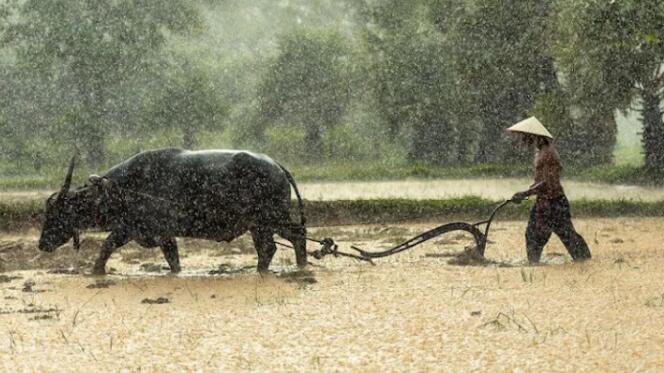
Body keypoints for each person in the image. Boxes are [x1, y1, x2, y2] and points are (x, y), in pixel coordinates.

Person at [508, 117, 591, 263]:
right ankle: (535, 265)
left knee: (565, 235)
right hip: (546, 201)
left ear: (533, 135)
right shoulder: (540, 152)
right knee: (539, 235)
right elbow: (540, 181)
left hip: (554, 203)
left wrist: (525, 193)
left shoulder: (548, 153)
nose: (522, 140)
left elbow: (547, 182)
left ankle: (583, 261)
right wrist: (529, 192)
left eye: (524, 136)